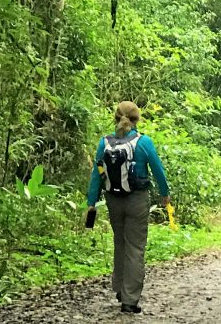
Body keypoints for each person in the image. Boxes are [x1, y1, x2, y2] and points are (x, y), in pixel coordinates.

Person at [86, 101, 170, 314]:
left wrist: (91, 202)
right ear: (137, 119)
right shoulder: (144, 142)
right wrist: (165, 194)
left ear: (115, 118)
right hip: (137, 200)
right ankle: (130, 299)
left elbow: (97, 173)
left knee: (120, 243)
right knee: (135, 247)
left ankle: (120, 289)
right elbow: (158, 170)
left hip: (113, 200)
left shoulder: (104, 143)